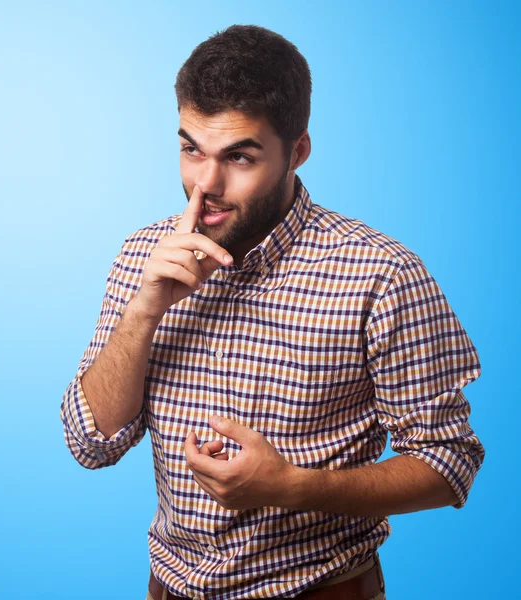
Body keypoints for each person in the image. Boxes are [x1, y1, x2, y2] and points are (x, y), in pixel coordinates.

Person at [60, 24, 485, 600]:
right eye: (191, 149)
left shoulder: (381, 276)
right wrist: (144, 310)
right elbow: (92, 444)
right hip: (169, 589)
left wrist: (291, 486)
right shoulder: (145, 256)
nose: (204, 185)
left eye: (239, 156)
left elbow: (448, 460)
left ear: (298, 151)